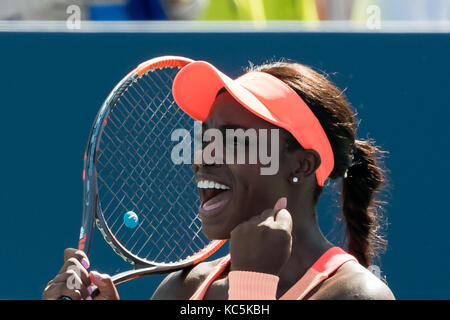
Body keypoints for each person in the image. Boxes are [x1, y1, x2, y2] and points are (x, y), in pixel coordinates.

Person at [43, 59, 395, 300]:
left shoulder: (355, 293)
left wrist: (251, 284)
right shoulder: (182, 290)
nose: (201, 157)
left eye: (235, 140)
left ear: (301, 166)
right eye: (205, 138)